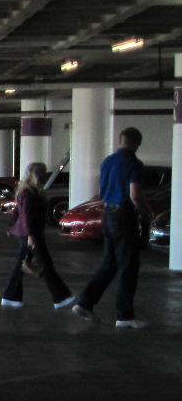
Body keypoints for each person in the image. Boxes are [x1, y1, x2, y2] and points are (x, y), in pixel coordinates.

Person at [68, 127, 151, 328]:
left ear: (121, 141)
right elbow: (135, 195)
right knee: (128, 266)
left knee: (110, 263)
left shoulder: (107, 161)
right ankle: (125, 316)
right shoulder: (134, 163)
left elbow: (103, 191)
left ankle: (85, 302)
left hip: (107, 215)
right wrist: (146, 212)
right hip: (124, 216)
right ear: (137, 143)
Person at [0, 162, 73, 310]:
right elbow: (26, 216)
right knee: (46, 264)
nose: (46, 175)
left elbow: (17, 213)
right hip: (32, 234)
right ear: (38, 175)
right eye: (44, 173)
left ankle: (10, 297)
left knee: (20, 266)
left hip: (28, 233)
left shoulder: (27, 190)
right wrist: (30, 236)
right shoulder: (29, 192)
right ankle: (61, 297)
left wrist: (14, 229)